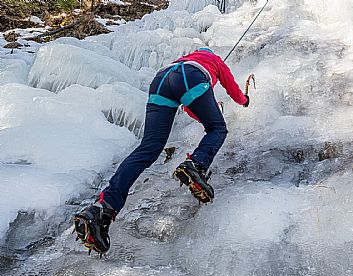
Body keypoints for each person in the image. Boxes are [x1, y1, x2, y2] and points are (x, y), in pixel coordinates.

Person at [74, 47, 250, 255]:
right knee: (218, 129)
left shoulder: (186, 58)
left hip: (161, 80)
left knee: (148, 148)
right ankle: (195, 165)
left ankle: (102, 208)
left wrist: (205, 110)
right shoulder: (215, 60)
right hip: (191, 76)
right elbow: (232, 90)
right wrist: (244, 100)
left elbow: (188, 105)